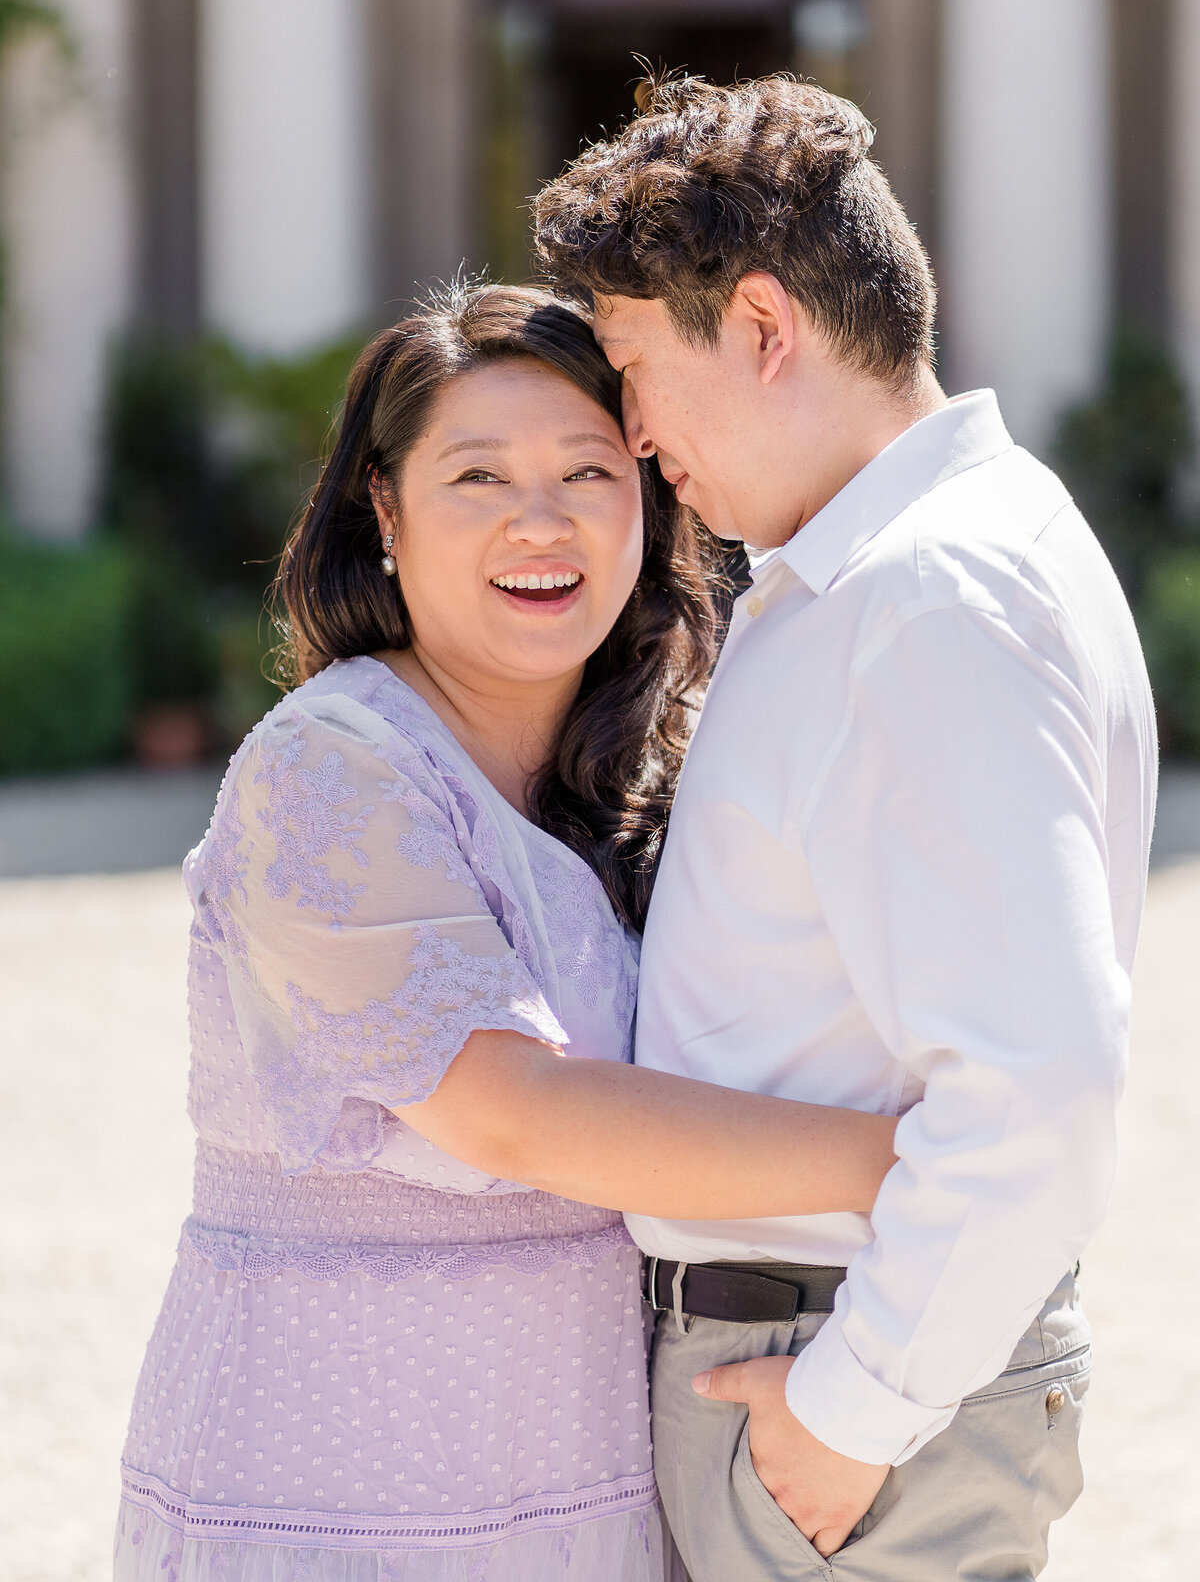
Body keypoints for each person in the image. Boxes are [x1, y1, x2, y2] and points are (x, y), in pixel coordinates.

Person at [113, 284, 897, 1582]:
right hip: (334, 1497)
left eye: (590, 469)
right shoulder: (329, 772)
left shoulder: (661, 769)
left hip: (583, 1484)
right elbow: (515, 1113)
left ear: (651, 496)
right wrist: (917, 1166)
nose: (543, 520)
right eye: (477, 475)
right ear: (385, 510)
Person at [530, 75, 1158, 1581]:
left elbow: (1041, 1085)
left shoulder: (924, 596)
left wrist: (854, 1411)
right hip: (818, 1363)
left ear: (759, 326)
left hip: (834, 1388)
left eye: (630, 366)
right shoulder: (894, 564)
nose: (626, 428)